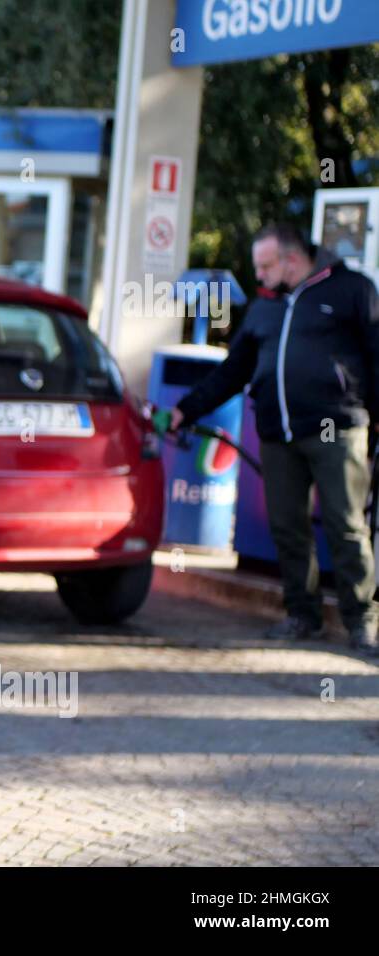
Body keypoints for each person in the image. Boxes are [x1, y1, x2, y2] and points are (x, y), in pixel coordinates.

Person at [165, 223, 379, 656]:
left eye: (265, 266)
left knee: (346, 524)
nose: (258, 275)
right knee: (286, 525)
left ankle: (363, 623)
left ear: (292, 259)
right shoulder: (265, 307)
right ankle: (303, 614)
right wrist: (187, 408)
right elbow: (233, 369)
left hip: (335, 428)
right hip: (277, 434)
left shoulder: (352, 290)